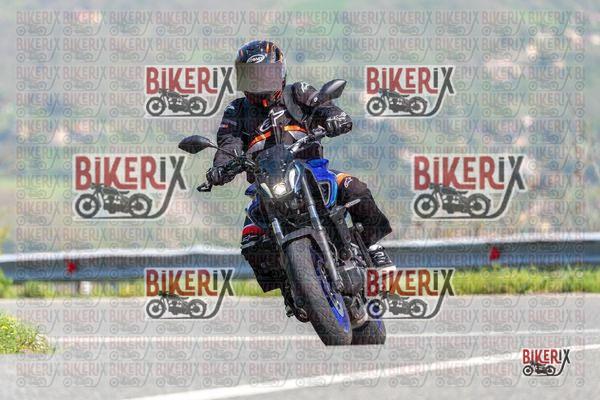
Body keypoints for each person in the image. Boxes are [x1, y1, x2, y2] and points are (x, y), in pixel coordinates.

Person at [206, 40, 394, 306]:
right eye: (252, 76)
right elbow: (228, 144)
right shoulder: (236, 111)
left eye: (265, 74)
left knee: (354, 188)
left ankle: (372, 247)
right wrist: (219, 169)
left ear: (280, 71)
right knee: (251, 237)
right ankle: (289, 286)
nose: (259, 82)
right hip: (266, 183)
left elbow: (322, 105)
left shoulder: (297, 93)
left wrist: (334, 116)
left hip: (312, 170)